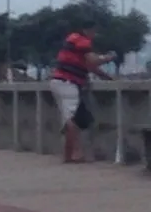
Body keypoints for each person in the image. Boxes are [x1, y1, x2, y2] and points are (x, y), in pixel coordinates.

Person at [50, 19, 116, 163]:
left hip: (58, 81)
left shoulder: (72, 40)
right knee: (71, 120)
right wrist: (108, 57)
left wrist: (107, 77)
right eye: (94, 31)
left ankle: (73, 154)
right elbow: (93, 61)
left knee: (72, 119)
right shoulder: (82, 41)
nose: (94, 35)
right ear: (89, 30)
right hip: (69, 83)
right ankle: (71, 155)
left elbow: (89, 67)